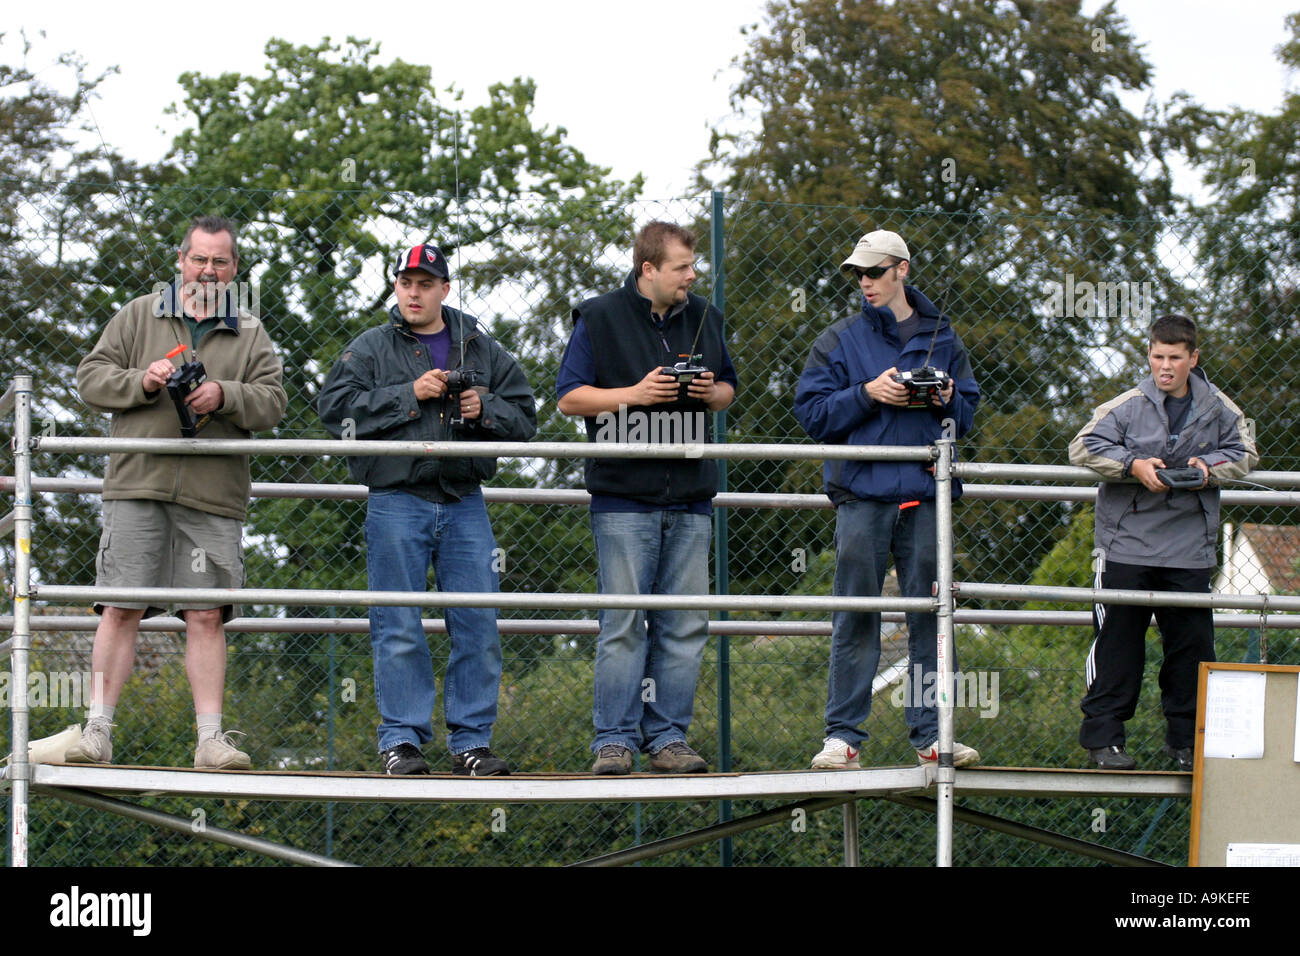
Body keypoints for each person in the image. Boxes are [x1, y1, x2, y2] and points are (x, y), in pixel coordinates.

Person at [68, 214, 287, 770]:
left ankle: (210, 741)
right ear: (181, 261)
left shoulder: (251, 331)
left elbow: (274, 402)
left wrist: (224, 394)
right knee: (120, 607)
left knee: (207, 613)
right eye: (199, 259)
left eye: (220, 261)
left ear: (235, 268)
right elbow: (91, 377)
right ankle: (97, 732)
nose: (208, 270)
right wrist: (141, 382)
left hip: (213, 494)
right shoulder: (139, 314)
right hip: (137, 483)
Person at [318, 242, 536, 776]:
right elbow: (334, 412)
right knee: (397, 624)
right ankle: (402, 742)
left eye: (425, 283)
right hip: (395, 498)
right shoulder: (370, 347)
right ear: (396, 286)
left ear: (444, 289)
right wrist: (408, 394)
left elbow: (526, 418)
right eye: (405, 282)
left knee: (478, 623)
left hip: (465, 501)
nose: (413, 292)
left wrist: (484, 407)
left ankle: (472, 744)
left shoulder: (480, 346)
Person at [794, 229, 982, 770]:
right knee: (856, 615)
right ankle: (842, 738)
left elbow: (965, 413)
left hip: (925, 497)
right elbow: (811, 415)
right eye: (858, 273)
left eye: (874, 271)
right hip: (862, 496)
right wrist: (867, 393)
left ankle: (932, 737)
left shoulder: (943, 336)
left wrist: (946, 395)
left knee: (931, 618)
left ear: (901, 269)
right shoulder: (839, 338)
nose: (865, 282)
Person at [557, 221, 737, 775]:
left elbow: (729, 388)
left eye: (692, 266)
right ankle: (613, 740)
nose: (692, 276)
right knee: (624, 623)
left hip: (691, 497)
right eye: (682, 267)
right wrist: (634, 395)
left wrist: (710, 394)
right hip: (623, 497)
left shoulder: (706, 314)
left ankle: (668, 739)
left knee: (684, 625)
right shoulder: (599, 316)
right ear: (648, 270)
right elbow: (568, 398)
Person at [1069, 314, 1257, 771]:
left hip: (1189, 549)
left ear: (1194, 358)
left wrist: (1207, 467)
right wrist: (1133, 465)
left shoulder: (1222, 409)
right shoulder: (1125, 405)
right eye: (1158, 356)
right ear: (1149, 355)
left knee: (1192, 650)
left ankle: (1187, 743)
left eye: (1175, 357)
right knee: (1117, 644)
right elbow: (1082, 446)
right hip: (1125, 546)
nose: (1165, 366)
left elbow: (1246, 454)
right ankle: (1104, 741)